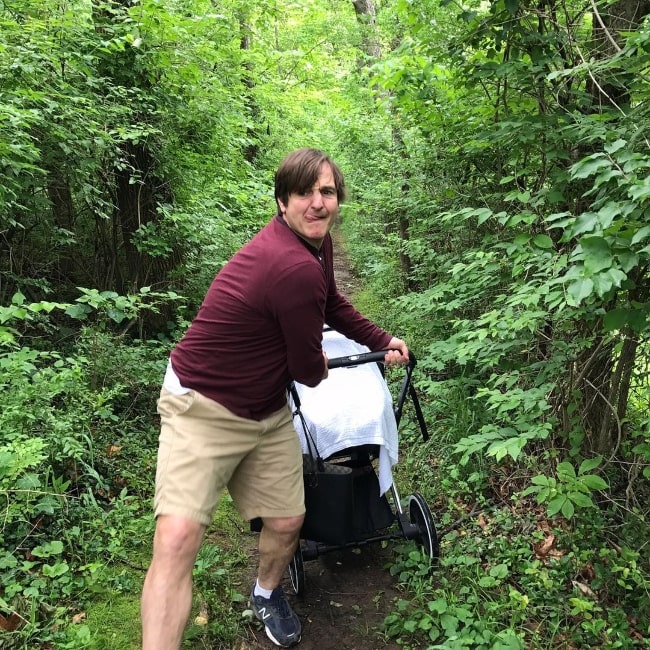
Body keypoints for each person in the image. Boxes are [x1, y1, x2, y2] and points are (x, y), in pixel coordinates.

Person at [140, 148, 409, 649]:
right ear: (282, 200)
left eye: (326, 191)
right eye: (304, 192)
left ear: (337, 200)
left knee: (288, 519)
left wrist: (379, 339)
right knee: (176, 541)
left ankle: (266, 593)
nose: (317, 202)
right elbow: (309, 370)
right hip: (203, 404)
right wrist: (323, 360)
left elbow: (330, 303)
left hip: (265, 407)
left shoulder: (316, 247)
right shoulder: (290, 265)